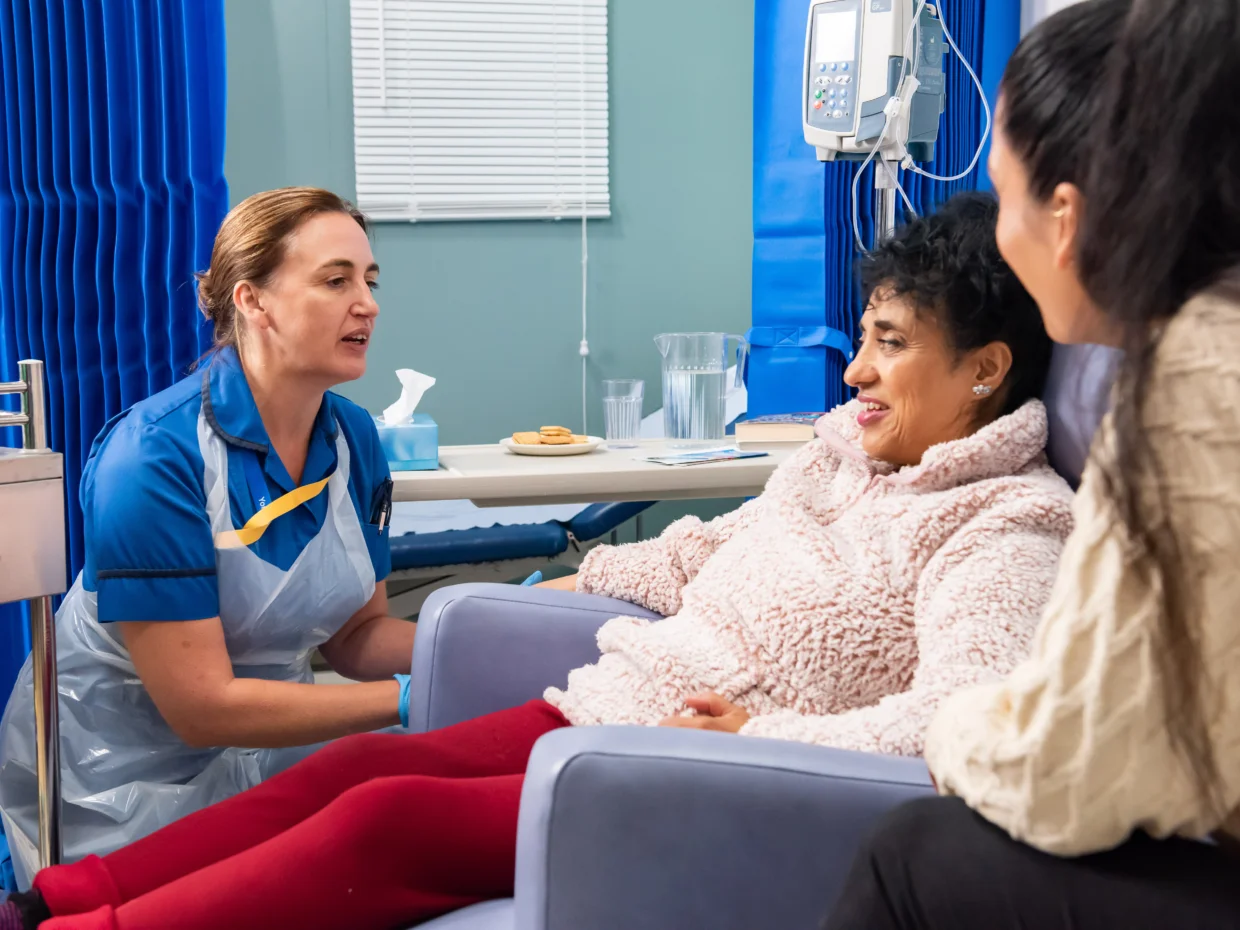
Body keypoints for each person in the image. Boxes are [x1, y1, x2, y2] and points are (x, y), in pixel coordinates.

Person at [4, 192, 1075, 930]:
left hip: (692, 759)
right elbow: (703, 550)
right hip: (617, 702)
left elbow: (968, 715)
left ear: (984, 370)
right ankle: (63, 893)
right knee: (363, 769)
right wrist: (570, 583)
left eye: (890, 341)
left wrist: (771, 732)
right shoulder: (839, 458)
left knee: (385, 816)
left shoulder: (1004, 525)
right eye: (337, 279)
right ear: (253, 299)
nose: (856, 369)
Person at [824, 3, 1240, 929]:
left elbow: (1071, 775)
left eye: (1003, 196)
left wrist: (952, 730)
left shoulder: (1192, 383)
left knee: (915, 854)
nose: (859, 371)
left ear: (1066, 218)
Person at [0, 188, 416, 885]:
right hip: (119, 784)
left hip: (271, 751)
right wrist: (412, 695)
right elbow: (201, 707)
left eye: (370, 282)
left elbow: (354, 636)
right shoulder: (152, 457)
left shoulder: (354, 440)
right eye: (336, 279)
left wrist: (479, 639)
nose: (367, 303)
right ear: (253, 301)